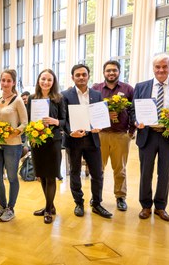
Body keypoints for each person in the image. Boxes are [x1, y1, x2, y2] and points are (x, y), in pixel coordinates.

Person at [132, 54, 169, 222]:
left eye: (165, 67)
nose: (161, 70)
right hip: (147, 135)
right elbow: (133, 110)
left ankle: (160, 207)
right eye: (158, 67)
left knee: (164, 173)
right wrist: (136, 121)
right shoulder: (141, 86)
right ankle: (145, 205)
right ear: (153, 68)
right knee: (145, 173)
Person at [62, 64, 112, 219]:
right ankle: (79, 202)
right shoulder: (65, 95)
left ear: (88, 76)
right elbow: (63, 119)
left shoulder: (97, 95)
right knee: (75, 172)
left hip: (92, 140)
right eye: (78, 75)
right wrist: (71, 132)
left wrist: (100, 126)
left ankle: (97, 203)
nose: (81, 77)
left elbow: (100, 115)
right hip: (74, 140)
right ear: (72, 77)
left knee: (97, 173)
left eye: (84, 74)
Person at [92, 60, 135, 211]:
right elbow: (90, 109)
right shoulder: (96, 89)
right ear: (104, 72)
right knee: (98, 168)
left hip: (121, 135)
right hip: (101, 134)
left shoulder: (128, 89)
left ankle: (120, 196)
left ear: (119, 72)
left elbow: (133, 111)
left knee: (120, 168)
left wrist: (131, 132)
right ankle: (96, 196)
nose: (111, 73)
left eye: (114, 70)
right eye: (108, 70)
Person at [27, 69, 65, 224]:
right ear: (38, 80)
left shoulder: (58, 98)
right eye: (43, 79)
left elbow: (64, 120)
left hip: (53, 142)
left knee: (51, 176)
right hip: (37, 142)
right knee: (42, 175)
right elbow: (29, 118)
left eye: (49, 80)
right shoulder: (32, 98)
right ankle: (50, 205)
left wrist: (55, 121)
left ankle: (48, 210)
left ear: (53, 82)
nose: (46, 82)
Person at [0, 69, 28, 222]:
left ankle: (11, 208)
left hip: (13, 145)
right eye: (3, 80)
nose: (5, 83)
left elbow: (25, 123)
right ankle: (2, 205)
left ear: (13, 83)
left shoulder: (18, 100)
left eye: (8, 81)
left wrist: (13, 133)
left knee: (12, 177)